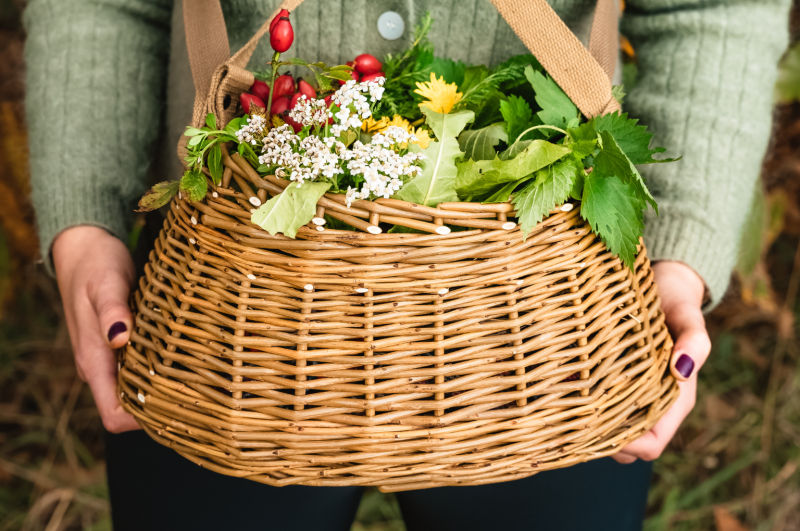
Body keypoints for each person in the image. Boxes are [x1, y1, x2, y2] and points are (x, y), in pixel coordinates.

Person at [24, 0, 791, 529]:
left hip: (546, 313)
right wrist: (86, 224)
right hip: (230, 300)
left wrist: (677, 257)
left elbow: (711, 7)